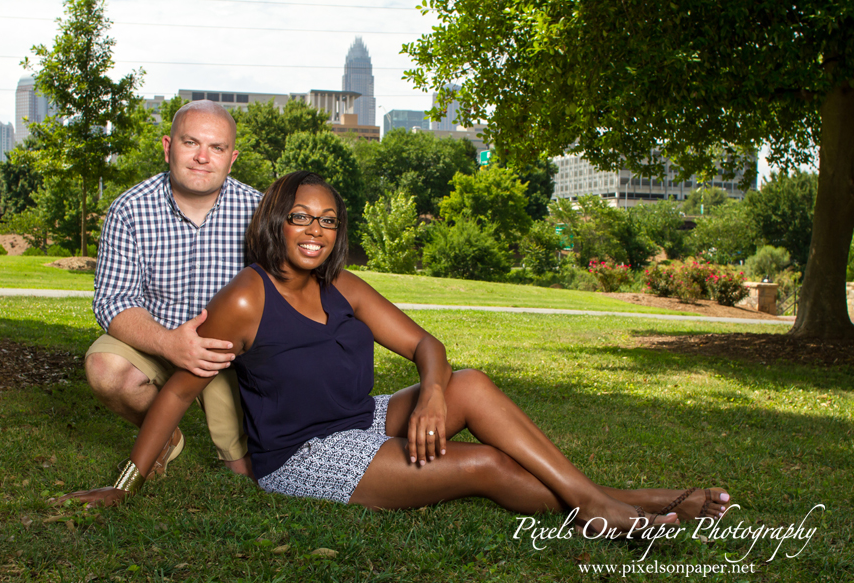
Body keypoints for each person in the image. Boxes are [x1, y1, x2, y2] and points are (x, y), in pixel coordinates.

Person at [61, 171, 730, 536]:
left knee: (468, 382)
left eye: (327, 219)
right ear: (275, 223)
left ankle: (604, 505)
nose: (315, 231)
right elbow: (178, 389)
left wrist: (435, 390)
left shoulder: (345, 287)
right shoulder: (245, 300)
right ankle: (639, 507)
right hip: (303, 458)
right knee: (485, 464)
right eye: (300, 216)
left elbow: (425, 345)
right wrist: (124, 487)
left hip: (361, 419)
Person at [85, 100, 261, 480]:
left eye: (217, 147)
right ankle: (164, 437)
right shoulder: (129, 209)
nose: (202, 157)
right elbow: (113, 301)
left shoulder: (259, 211)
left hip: (230, 352)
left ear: (232, 158)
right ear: (168, 147)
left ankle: (237, 444)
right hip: (156, 336)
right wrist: (169, 344)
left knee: (244, 471)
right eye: (190, 143)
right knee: (106, 370)